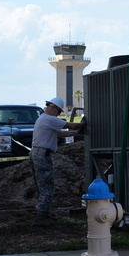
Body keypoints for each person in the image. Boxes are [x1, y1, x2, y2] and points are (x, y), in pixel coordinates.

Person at [31, 96, 85, 226]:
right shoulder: (49, 119)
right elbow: (70, 125)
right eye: (59, 112)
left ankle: (42, 212)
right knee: (47, 185)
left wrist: (77, 133)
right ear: (54, 109)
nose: (58, 114)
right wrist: (85, 124)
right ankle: (41, 218)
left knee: (42, 185)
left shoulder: (43, 119)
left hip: (37, 153)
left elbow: (59, 134)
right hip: (42, 154)